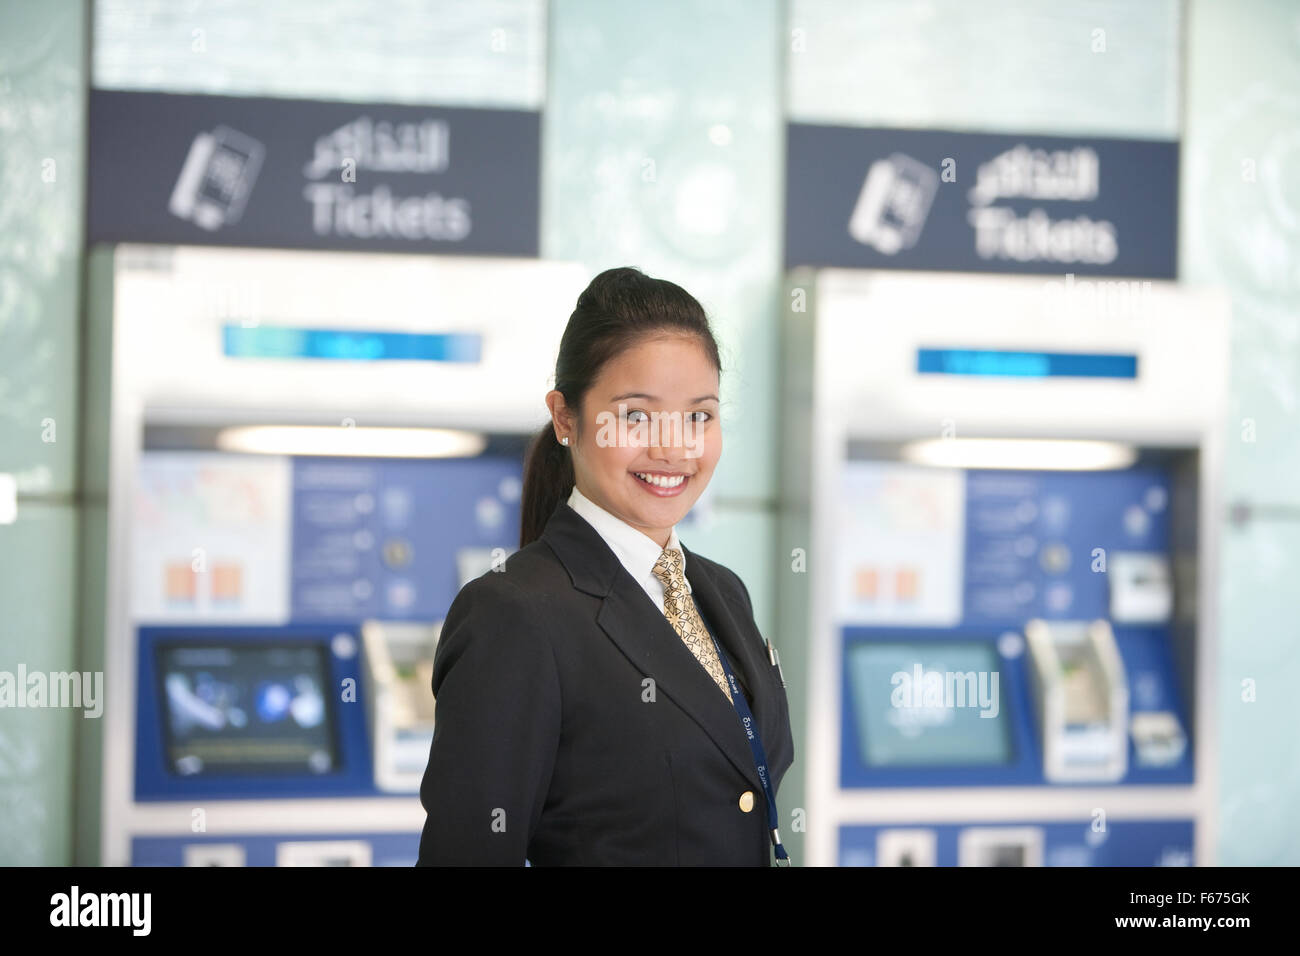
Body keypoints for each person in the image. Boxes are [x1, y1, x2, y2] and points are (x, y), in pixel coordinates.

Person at [416, 266, 794, 866]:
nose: (674, 449)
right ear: (566, 418)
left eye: (700, 415)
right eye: (636, 415)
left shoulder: (722, 592)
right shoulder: (515, 616)